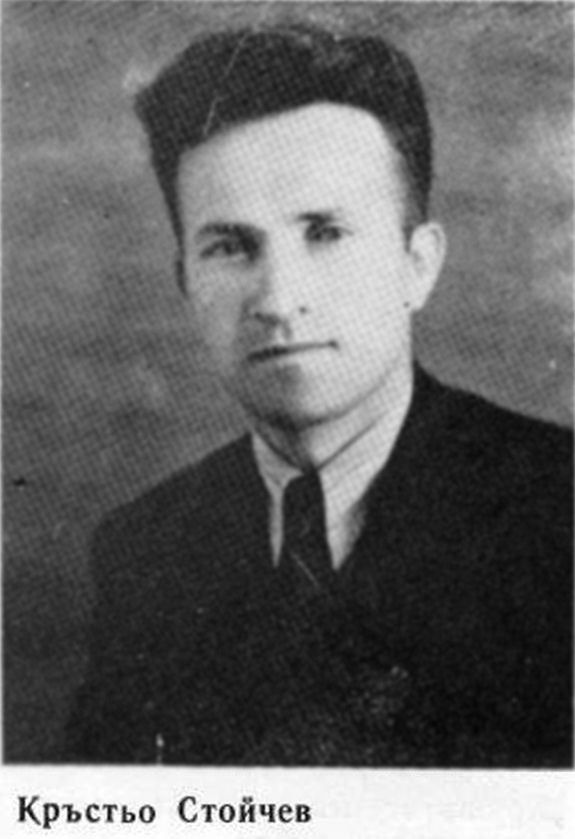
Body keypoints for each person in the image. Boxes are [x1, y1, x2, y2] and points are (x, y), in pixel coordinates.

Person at [65, 23, 572, 767]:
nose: (278, 299)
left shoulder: (557, 510)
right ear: (185, 283)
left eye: (326, 232)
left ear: (417, 264)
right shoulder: (145, 552)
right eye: (229, 246)